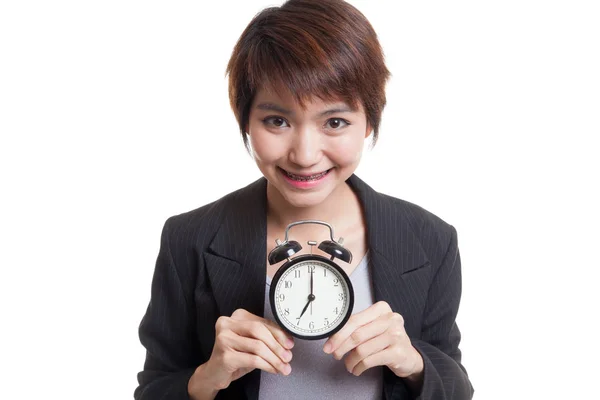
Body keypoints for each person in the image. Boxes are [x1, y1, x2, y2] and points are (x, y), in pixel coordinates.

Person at [134, 0, 473, 399]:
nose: (305, 154)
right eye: (277, 121)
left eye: (334, 122)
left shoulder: (429, 239)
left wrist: (415, 365)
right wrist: (208, 376)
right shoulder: (188, 238)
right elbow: (154, 389)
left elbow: (456, 386)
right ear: (245, 119)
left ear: (369, 120)